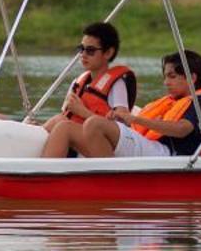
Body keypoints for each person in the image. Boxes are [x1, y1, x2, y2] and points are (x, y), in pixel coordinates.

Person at [75, 49, 201, 160]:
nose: (166, 83)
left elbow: (182, 129)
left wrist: (134, 119)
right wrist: (121, 120)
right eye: (165, 77)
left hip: (168, 154)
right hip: (151, 146)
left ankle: (110, 185)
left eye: (172, 77)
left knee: (94, 124)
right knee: (65, 128)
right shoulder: (173, 102)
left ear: (192, 78)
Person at [40, 21, 137, 158]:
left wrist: (83, 112)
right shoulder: (78, 82)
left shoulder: (116, 85)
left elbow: (122, 125)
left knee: (64, 127)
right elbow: (66, 115)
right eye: (81, 49)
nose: (83, 54)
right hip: (81, 138)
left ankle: (44, 173)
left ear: (108, 52)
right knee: (58, 120)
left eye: (90, 50)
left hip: (105, 146)